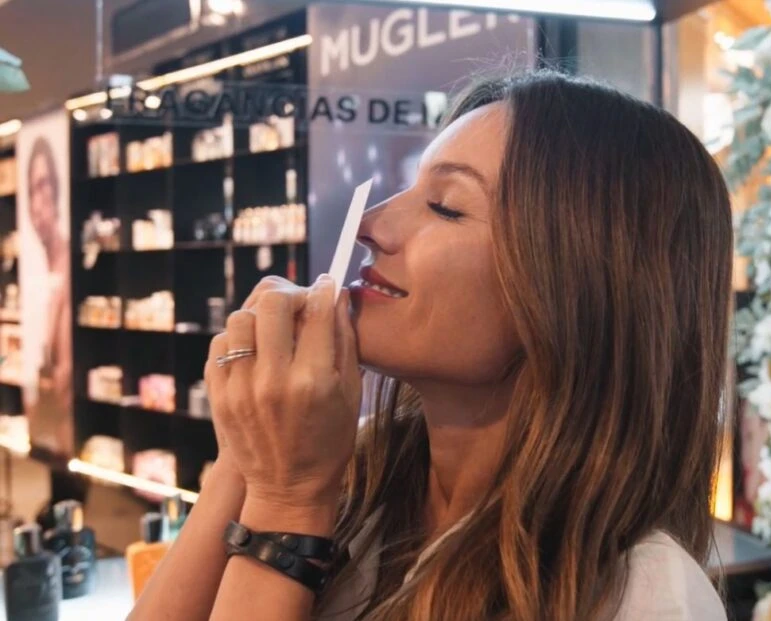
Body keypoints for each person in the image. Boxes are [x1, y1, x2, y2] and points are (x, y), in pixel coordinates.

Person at [128, 70, 731, 620]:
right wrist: (250, 455)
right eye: (410, 191)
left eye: (446, 207)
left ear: (579, 288)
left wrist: (287, 507)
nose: (371, 225)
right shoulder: (359, 472)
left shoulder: (644, 597)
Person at [26, 136, 72, 456]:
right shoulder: (41, 272)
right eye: (32, 190)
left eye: (43, 185)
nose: (37, 201)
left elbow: (64, 375)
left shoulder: (66, 269)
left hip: (63, 430)